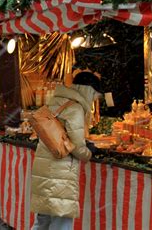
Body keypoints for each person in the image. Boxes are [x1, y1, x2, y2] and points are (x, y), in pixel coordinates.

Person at [30, 72, 102, 230]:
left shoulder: (55, 101)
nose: (95, 99)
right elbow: (76, 147)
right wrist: (89, 152)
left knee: (42, 222)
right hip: (60, 174)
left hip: (44, 167)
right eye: (96, 95)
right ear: (89, 91)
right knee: (61, 222)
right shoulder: (75, 108)